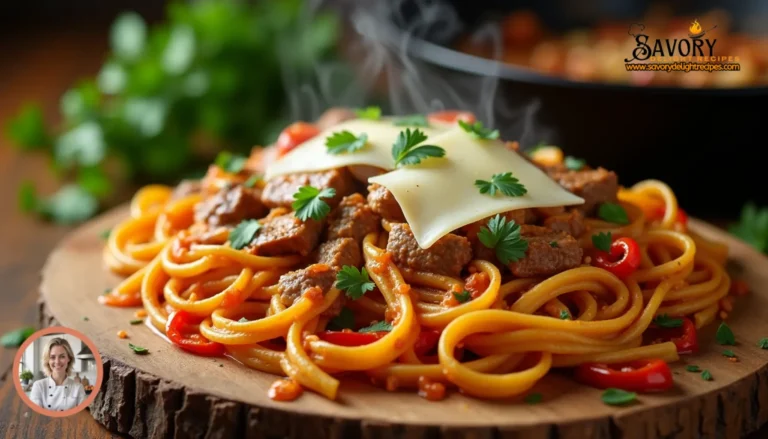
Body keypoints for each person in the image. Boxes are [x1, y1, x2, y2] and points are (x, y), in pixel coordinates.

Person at [29, 337, 86, 412]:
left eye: (62, 356)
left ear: (69, 358)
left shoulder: (78, 388)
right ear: (48, 360)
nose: (57, 361)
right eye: (52, 357)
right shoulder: (39, 386)